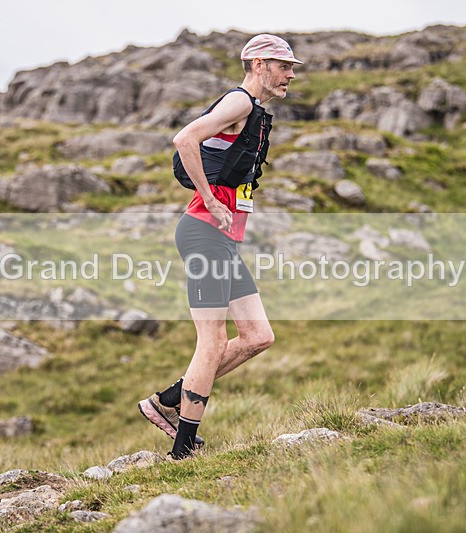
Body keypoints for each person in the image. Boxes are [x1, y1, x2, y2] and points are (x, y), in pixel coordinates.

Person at [138, 34, 302, 460]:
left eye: (291, 67)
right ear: (258, 65)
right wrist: (209, 197)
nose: (290, 74)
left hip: (223, 240)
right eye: (283, 66)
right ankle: (183, 450)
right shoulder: (241, 102)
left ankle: (169, 399)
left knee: (257, 335)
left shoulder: (255, 112)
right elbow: (184, 138)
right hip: (203, 231)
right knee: (211, 341)